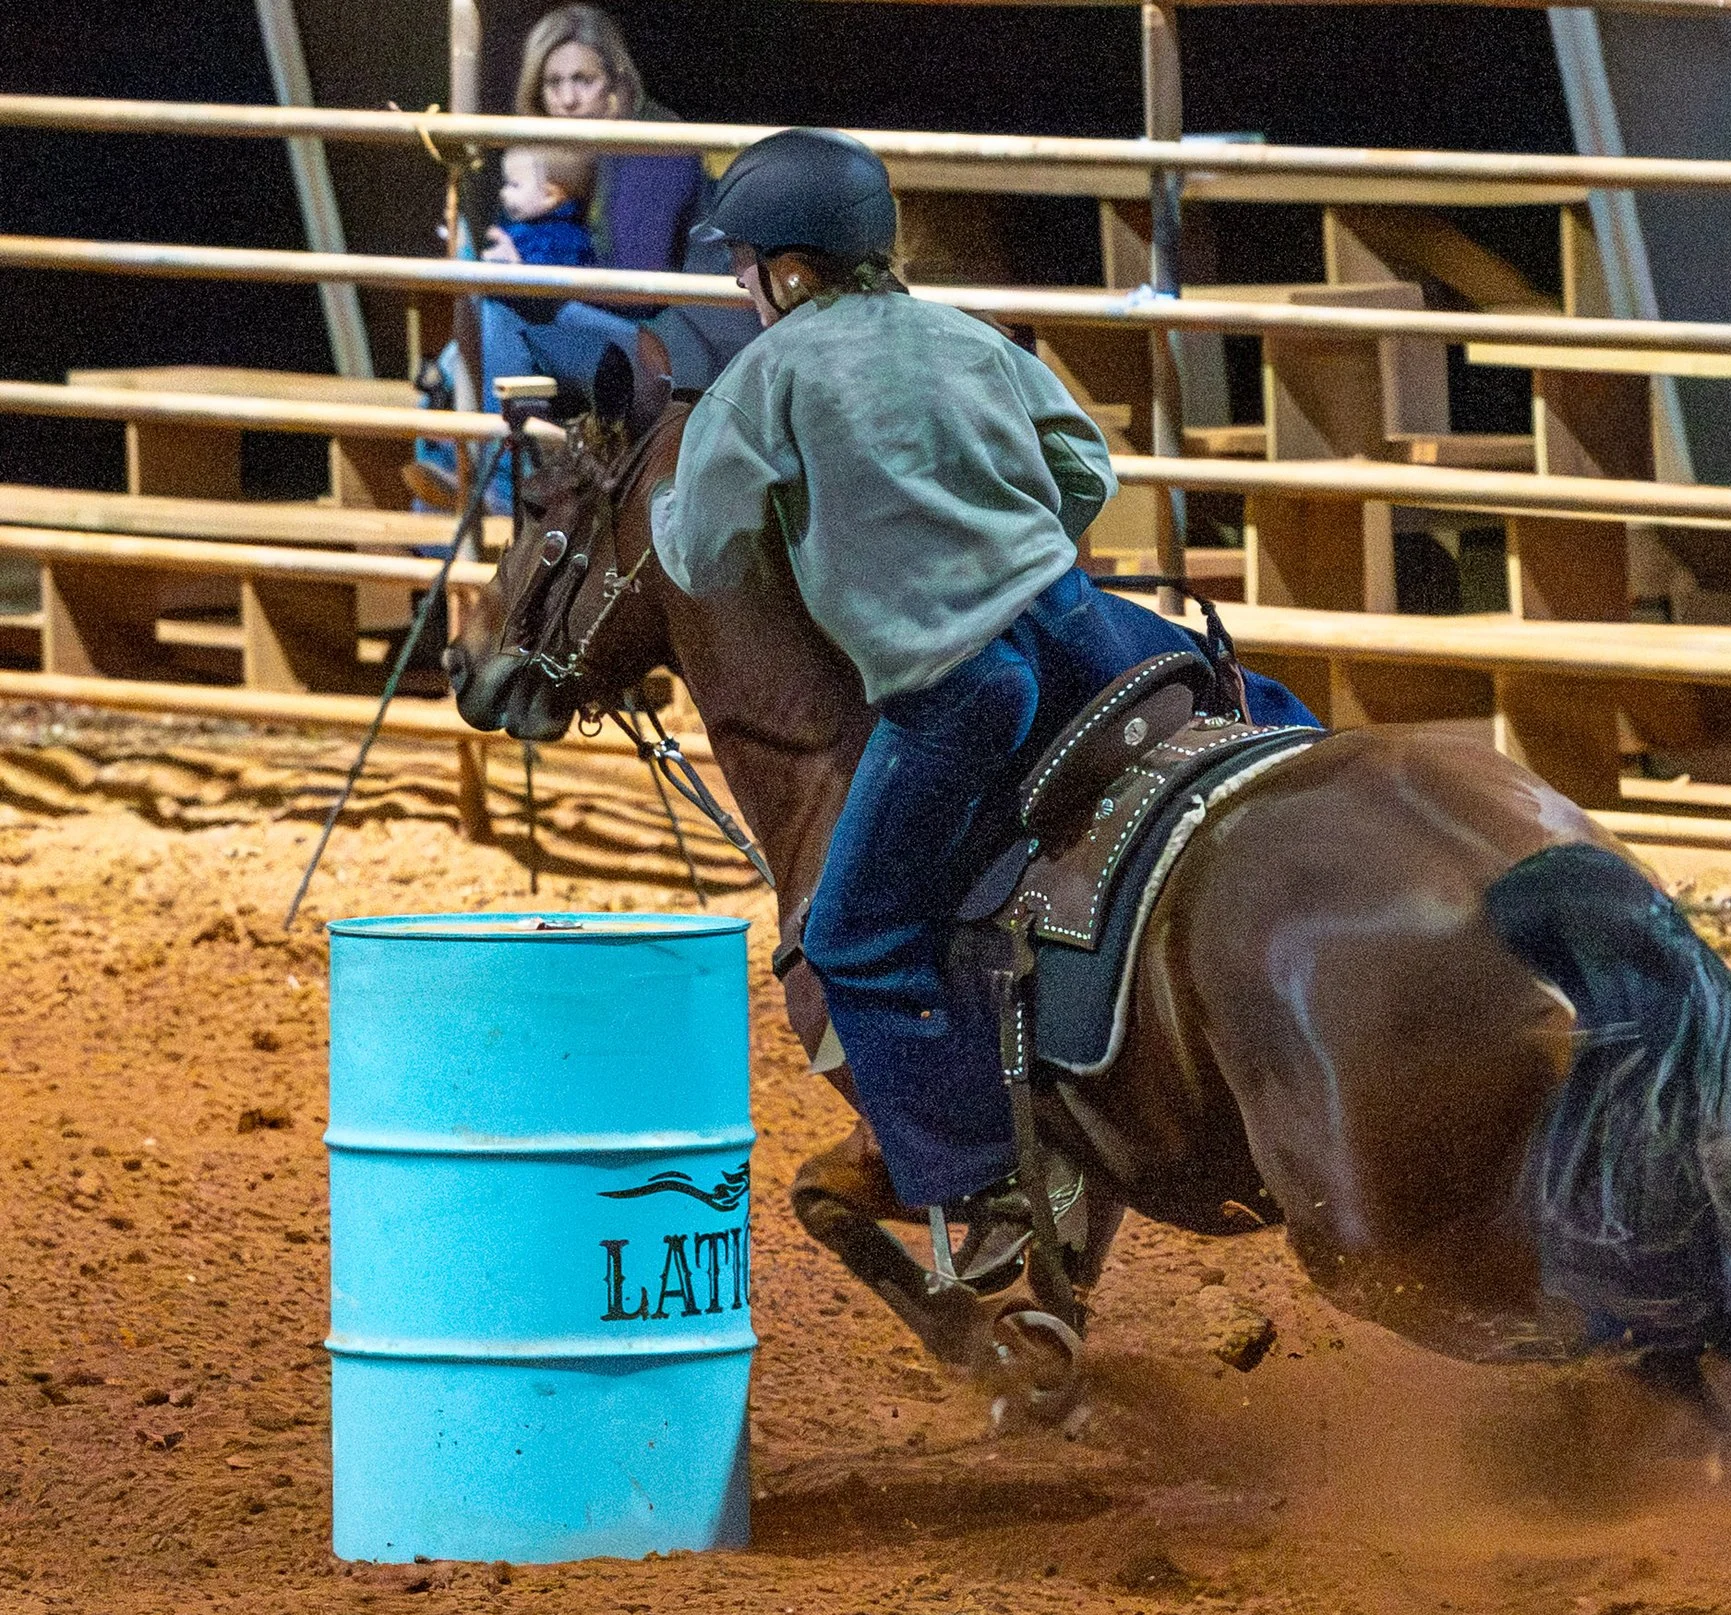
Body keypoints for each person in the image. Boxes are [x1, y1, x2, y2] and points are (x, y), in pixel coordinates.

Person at [650, 129, 1317, 1259]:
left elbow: (704, 560)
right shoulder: (964, 333)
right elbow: (1086, 471)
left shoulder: (765, 376)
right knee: (1255, 712)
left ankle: (986, 1186)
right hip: (1080, 622)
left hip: (962, 684)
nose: (736, 283)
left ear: (792, 272)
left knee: (851, 936)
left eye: (743, 262)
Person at [412, 5, 715, 505]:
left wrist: (530, 274)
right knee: (479, 323)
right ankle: (450, 485)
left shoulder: (655, 143)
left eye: (583, 80)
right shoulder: (570, 154)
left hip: (673, 345)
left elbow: (638, 292)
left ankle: (496, 487)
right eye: (554, 83)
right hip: (614, 329)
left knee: (502, 307)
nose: (568, 99)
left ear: (615, 83)